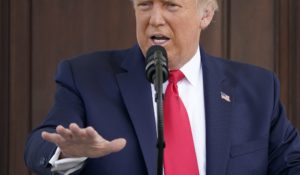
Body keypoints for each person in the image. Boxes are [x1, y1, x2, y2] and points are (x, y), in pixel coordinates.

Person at [24, 0, 300, 174]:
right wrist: (68, 153)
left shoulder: (258, 89)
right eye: (145, 5)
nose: (155, 19)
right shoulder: (86, 77)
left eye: (170, 5)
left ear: (204, 15)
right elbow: (41, 144)